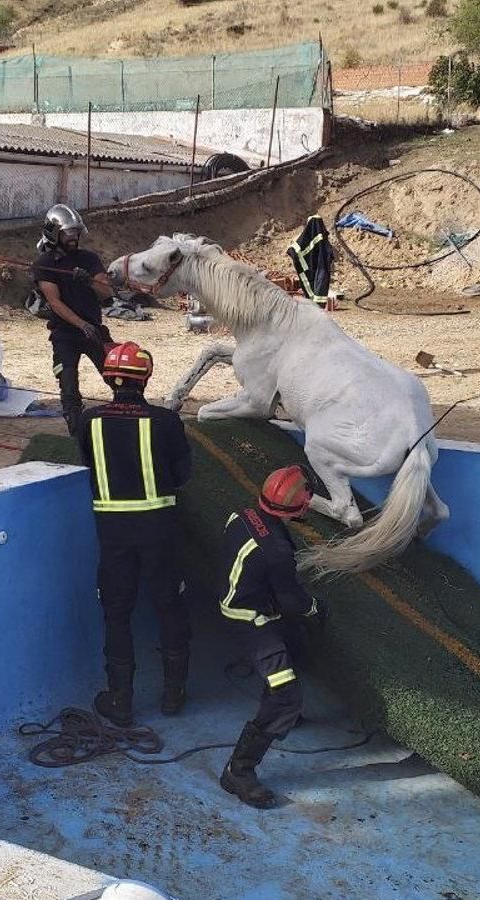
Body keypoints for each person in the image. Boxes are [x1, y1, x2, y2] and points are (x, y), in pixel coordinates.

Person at [77, 342, 193, 726]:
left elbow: (89, 463)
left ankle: (120, 700)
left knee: (116, 614)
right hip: (160, 531)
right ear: (145, 378)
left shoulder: (89, 421)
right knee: (170, 606)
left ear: (108, 378)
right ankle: (174, 695)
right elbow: (183, 475)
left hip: (113, 535)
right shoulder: (165, 421)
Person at [216, 465, 329, 809]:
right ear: (300, 507)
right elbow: (293, 600)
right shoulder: (277, 550)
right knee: (285, 695)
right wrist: (315, 608)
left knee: (296, 645)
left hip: (248, 600)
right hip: (249, 619)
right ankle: (238, 771)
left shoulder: (242, 515)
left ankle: (285, 717)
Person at [34, 204, 122, 436]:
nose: (73, 237)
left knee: (117, 377)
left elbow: (107, 292)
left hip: (94, 328)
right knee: (68, 381)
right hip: (65, 333)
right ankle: (74, 426)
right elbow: (55, 302)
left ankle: (127, 414)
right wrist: (81, 325)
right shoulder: (44, 264)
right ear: (55, 233)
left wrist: (89, 281)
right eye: (67, 233)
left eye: (75, 232)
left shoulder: (89, 259)